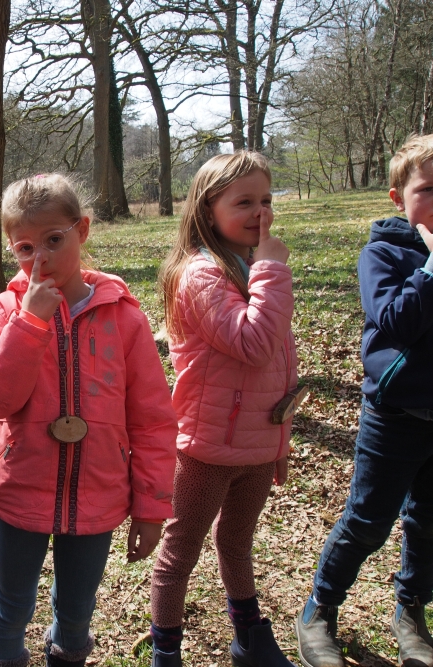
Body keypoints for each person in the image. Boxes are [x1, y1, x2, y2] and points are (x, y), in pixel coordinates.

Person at [295, 134, 433, 667]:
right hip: (396, 418)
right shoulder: (383, 255)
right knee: (368, 520)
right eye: (429, 189)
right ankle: (319, 612)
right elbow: (397, 323)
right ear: (398, 197)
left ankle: (411, 613)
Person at [0, 174, 178, 667]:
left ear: (82, 230)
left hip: (98, 492)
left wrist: (151, 506)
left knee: (77, 611)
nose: (39, 259)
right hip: (21, 488)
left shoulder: (123, 317)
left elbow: (151, 417)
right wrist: (29, 323)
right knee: (11, 605)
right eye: (24, 247)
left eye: (53, 240)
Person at [146, 152, 300, 667]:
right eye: (245, 202)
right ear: (209, 210)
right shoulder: (201, 274)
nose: (261, 212)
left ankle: (249, 637)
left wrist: (279, 441)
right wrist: (274, 270)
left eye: (266, 200)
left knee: (236, 543)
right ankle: (166, 649)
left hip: (255, 444)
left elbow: (280, 365)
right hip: (207, 447)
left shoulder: (252, 268)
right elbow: (253, 343)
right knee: (180, 551)